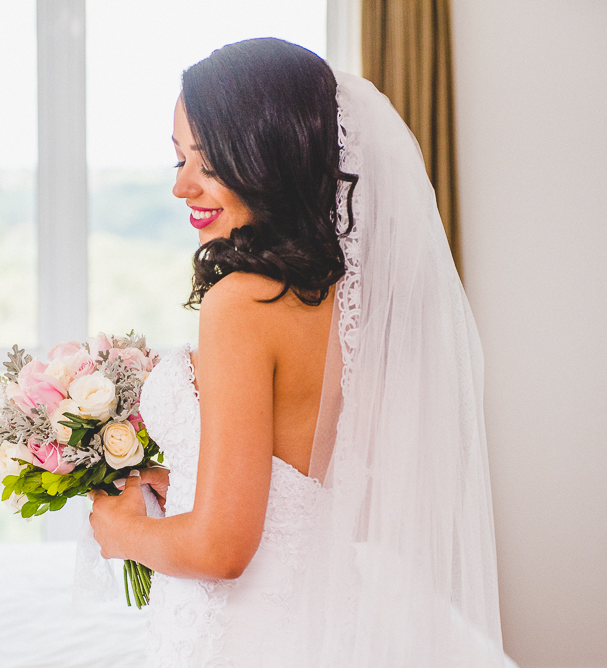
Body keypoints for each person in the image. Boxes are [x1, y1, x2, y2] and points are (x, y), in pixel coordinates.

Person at [88, 38, 512, 667]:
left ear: (267, 159)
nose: (181, 186)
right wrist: (183, 485)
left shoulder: (241, 303)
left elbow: (221, 551)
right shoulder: (341, 297)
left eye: (207, 163)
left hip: (245, 636)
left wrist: (122, 532)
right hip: (314, 613)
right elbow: (296, 474)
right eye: (178, 159)